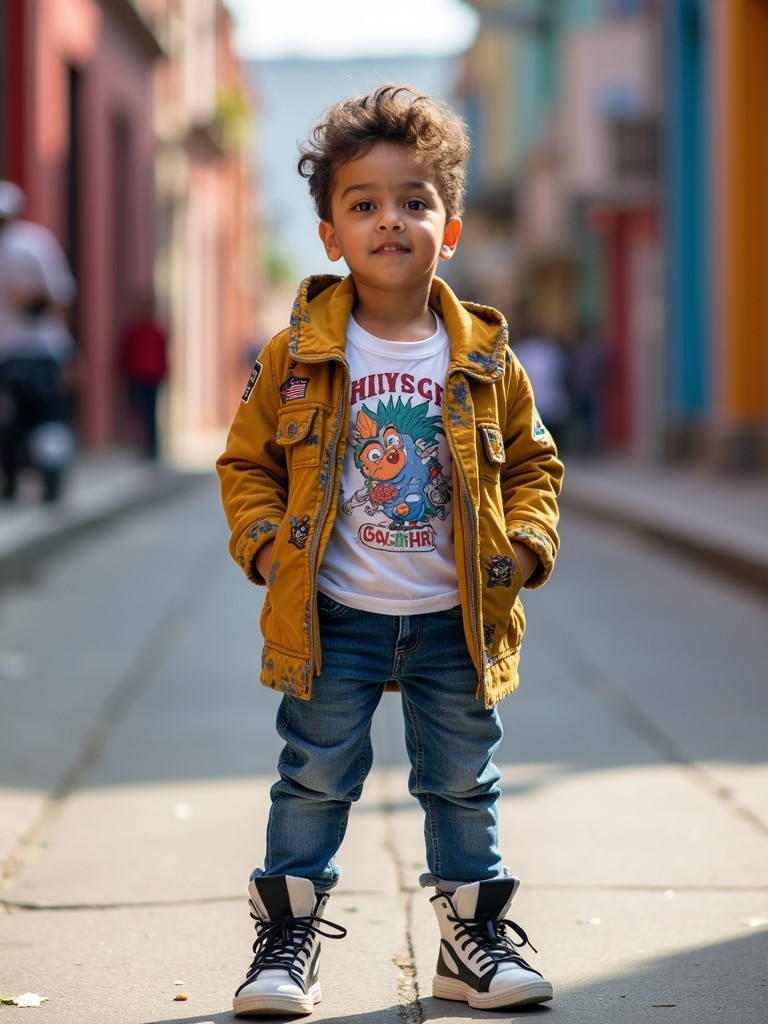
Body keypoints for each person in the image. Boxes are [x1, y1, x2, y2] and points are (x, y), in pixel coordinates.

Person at [217, 85, 564, 1018]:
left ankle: (470, 941)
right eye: (363, 204)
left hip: (457, 614)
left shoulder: (486, 355)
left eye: (414, 201)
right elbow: (247, 462)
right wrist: (262, 549)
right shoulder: (296, 353)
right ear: (331, 233)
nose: (390, 220)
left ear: (447, 229)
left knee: (463, 783)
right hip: (333, 612)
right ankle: (284, 946)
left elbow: (535, 463)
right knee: (315, 776)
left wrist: (527, 549)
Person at [0, 180, 80, 501]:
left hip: (16, 353)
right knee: (44, 420)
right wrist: (68, 350)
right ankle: (47, 481)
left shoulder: (30, 244)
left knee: (18, 422)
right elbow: (61, 299)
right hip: (37, 353)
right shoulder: (34, 243)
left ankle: (17, 483)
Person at [118, 293, 169, 460]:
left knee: (150, 411)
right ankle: (141, 444)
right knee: (138, 411)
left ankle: (152, 447)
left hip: (151, 377)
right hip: (136, 376)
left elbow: (163, 353)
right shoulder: (135, 330)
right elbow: (126, 351)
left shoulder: (157, 331)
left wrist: (164, 372)